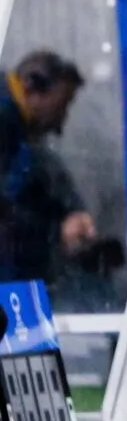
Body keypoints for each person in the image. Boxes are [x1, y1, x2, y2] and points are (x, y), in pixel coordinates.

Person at [0, 50, 96, 283]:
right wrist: (56, 232)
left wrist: (67, 213)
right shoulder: (6, 123)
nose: (61, 122)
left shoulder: (18, 130)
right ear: (32, 87)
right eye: (62, 105)